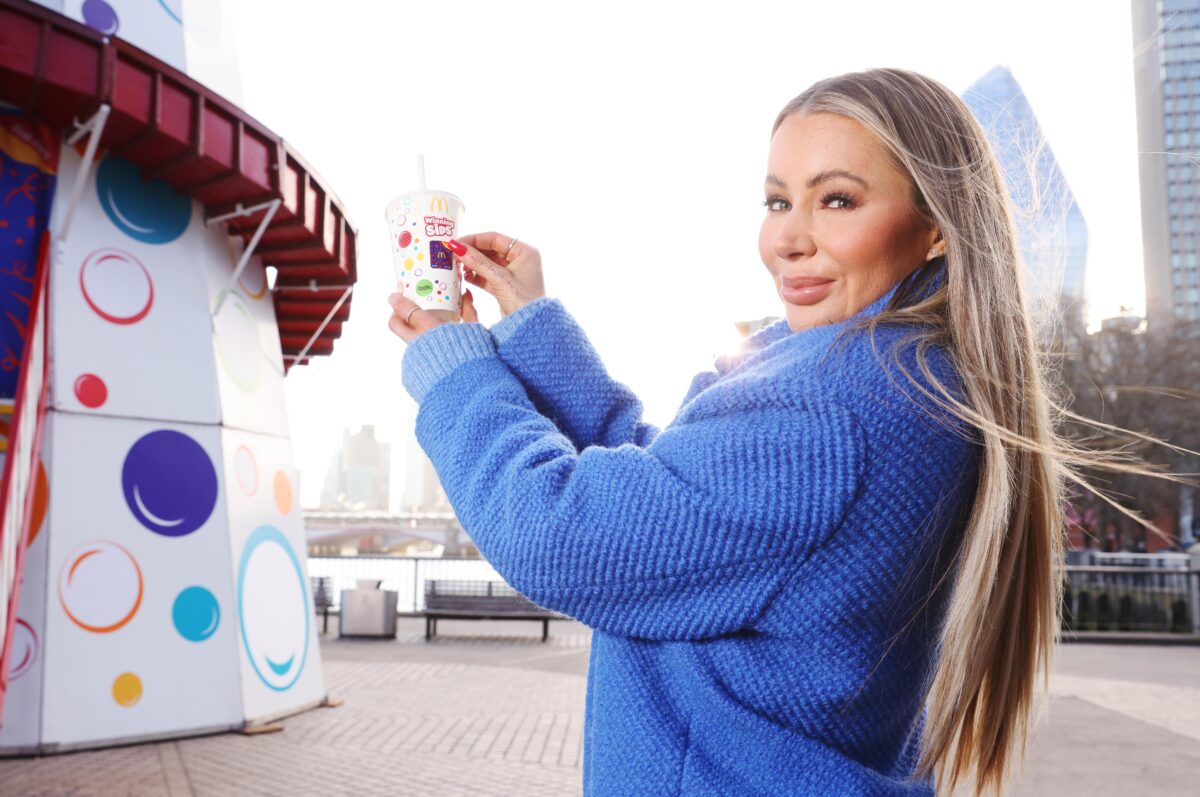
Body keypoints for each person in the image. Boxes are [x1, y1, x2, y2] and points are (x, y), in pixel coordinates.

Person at [385, 68, 1176, 796]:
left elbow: (561, 533)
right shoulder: (915, 382)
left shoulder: (830, 413)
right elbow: (683, 500)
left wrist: (456, 371)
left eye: (837, 200)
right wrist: (532, 325)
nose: (786, 239)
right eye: (776, 200)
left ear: (936, 226)